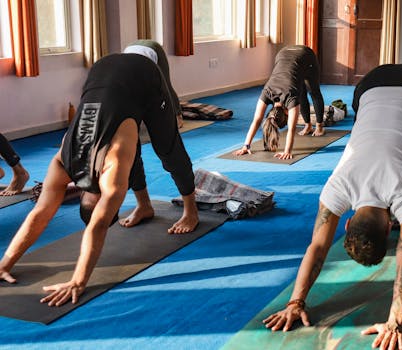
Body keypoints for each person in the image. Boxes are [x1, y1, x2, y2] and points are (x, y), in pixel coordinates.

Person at [263, 64, 402, 349]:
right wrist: (295, 301)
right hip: (372, 84)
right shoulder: (338, 186)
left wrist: (396, 321)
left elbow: (319, 247)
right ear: (348, 223)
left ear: (388, 230)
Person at [0, 53, 199, 306]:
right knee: (127, 148)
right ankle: (144, 206)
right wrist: (5, 263)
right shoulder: (64, 162)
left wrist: (78, 281)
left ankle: (190, 210)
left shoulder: (106, 177)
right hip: (101, 69)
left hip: (142, 74)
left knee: (167, 149)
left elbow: (95, 226)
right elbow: (39, 215)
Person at [234, 45, 325, 160]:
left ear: (286, 113)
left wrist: (287, 151)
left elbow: (291, 129)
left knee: (313, 91)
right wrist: (246, 146)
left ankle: (319, 127)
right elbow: (256, 121)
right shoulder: (266, 93)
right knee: (300, 92)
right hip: (283, 52)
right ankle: (308, 126)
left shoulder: (290, 99)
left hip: (305, 54)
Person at [123, 39, 184, 128]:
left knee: (165, 85)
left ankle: (177, 115)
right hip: (130, 48)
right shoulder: (124, 78)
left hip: (152, 48)